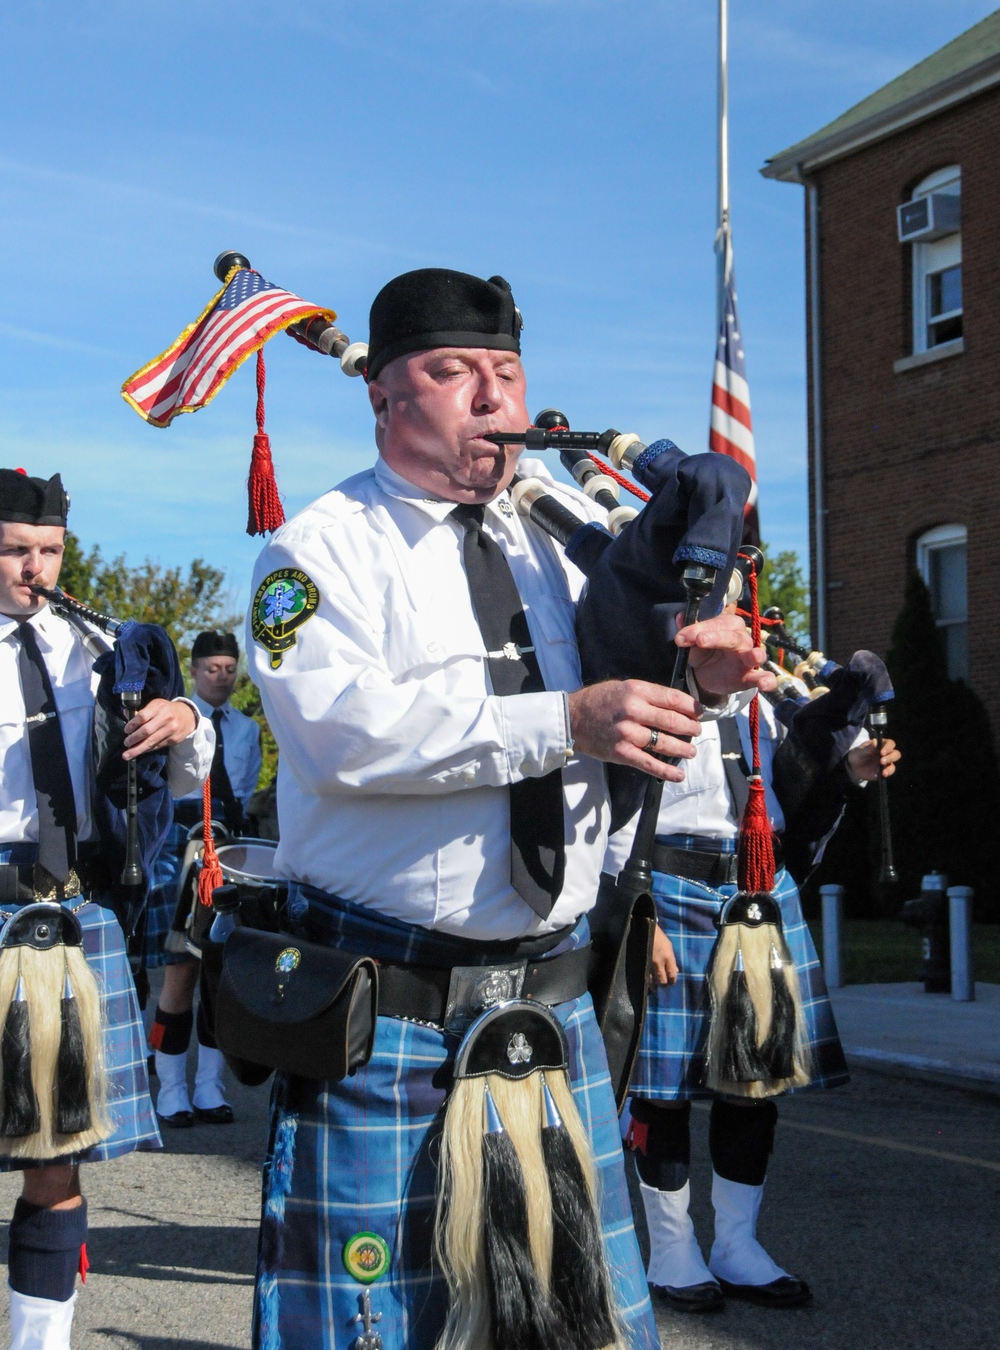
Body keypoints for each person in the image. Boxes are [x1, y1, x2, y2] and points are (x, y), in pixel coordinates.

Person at [245, 267, 775, 1350]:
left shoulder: (565, 536)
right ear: (384, 396)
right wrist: (563, 719)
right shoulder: (314, 550)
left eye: (506, 371)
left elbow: (630, 691)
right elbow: (340, 734)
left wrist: (703, 675)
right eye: (452, 372)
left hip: (552, 994)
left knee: (567, 1330)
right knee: (370, 1331)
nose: (493, 397)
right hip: (385, 1010)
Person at [0, 466, 214, 1348]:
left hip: (69, 913)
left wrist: (185, 719)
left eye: (48, 551)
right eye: (15, 550)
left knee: (55, 1162)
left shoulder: (100, 647)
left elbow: (175, 777)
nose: (35, 569)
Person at [607, 683, 900, 1314]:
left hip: (758, 893)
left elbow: (797, 816)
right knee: (663, 1091)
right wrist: (636, 910)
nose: (754, 652)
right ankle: (672, 1250)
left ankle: (737, 1247)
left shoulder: (768, 710)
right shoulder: (657, 691)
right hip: (669, 890)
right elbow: (609, 809)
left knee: (754, 1085)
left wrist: (847, 773)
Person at [147, 629, 262, 1128]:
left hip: (227, 851)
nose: (221, 676)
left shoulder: (248, 729)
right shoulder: (178, 719)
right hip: (180, 847)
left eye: (229, 668)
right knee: (179, 969)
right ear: (194, 671)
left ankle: (210, 1087)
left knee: (220, 974)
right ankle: (170, 1088)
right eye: (211, 668)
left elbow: (249, 791)